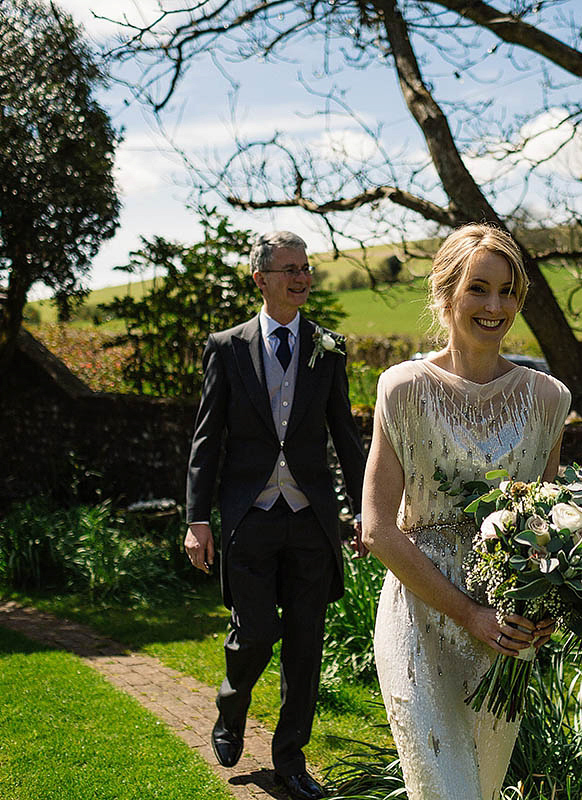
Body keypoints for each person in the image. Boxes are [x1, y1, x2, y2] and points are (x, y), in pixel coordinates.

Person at [361, 223, 571, 799]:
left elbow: (547, 530)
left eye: (507, 292)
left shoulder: (548, 399)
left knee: (479, 789)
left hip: (503, 633)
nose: (494, 306)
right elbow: (378, 528)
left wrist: (545, 602)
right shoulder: (402, 388)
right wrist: (466, 613)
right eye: (479, 288)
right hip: (420, 613)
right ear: (446, 290)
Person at [184, 230, 365, 800]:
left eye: (306, 268)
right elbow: (207, 438)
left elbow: (347, 437)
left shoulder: (328, 347)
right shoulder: (227, 347)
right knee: (256, 634)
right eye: (289, 268)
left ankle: (290, 759)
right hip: (251, 517)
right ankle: (232, 706)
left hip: (311, 521)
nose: (301, 277)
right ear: (260, 278)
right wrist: (197, 519)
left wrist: (365, 513)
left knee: (306, 646)